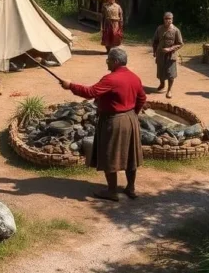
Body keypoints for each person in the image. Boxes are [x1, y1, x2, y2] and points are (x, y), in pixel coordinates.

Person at [59, 48, 145, 202]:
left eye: (109, 60)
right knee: (130, 155)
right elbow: (142, 98)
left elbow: (90, 92)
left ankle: (112, 191)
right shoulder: (135, 78)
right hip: (131, 119)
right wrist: (133, 114)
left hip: (113, 120)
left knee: (109, 154)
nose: (107, 63)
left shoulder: (111, 79)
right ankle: (130, 188)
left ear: (116, 61)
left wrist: (70, 85)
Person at [152, 12, 184, 98]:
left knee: (171, 73)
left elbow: (180, 44)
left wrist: (170, 49)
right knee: (160, 71)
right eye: (166, 19)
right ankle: (162, 84)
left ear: (172, 19)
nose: (168, 20)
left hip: (171, 55)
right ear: (164, 19)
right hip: (160, 54)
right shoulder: (159, 28)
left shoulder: (176, 30)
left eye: (170, 19)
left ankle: (169, 90)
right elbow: (155, 41)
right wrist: (154, 51)